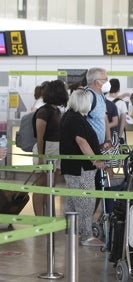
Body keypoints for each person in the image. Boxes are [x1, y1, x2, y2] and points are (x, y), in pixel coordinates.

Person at [60, 87, 104, 246]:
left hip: (72, 167)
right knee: (86, 201)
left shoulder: (69, 116)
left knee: (73, 201)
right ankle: (86, 235)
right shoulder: (76, 119)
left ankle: (72, 232)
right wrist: (94, 160)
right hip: (81, 168)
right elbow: (81, 141)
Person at [32, 79, 69, 216]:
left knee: (51, 185)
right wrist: (40, 158)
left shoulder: (56, 111)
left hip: (56, 150)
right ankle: (39, 217)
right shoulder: (44, 112)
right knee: (41, 185)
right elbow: (40, 137)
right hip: (46, 150)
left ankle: (49, 215)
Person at [85, 67, 111, 147]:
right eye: (105, 79)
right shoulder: (88, 97)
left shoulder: (101, 95)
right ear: (97, 82)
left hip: (100, 145)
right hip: (89, 147)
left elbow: (105, 117)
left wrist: (108, 140)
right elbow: (78, 122)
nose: (108, 82)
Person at [106, 78, 128, 144]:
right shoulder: (122, 103)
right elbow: (122, 122)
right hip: (115, 135)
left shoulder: (102, 100)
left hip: (104, 133)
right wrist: (119, 137)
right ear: (118, 89)